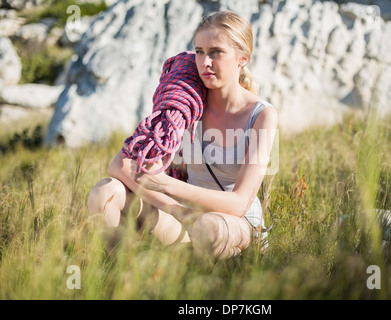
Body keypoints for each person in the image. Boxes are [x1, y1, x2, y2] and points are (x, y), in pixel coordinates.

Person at [87, 11, 278, 260]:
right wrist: (174, 209)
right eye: (199, 51)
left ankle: (212, 274)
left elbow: (239, 203)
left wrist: (166, 184)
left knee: (208, 227)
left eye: (216, 52)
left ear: (242, 58)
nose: (205, 62)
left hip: (235, 225)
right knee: (105, 192)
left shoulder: (261, 115)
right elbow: (119, 164)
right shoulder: (183, 106)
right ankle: (115, 271)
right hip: (184, 217)